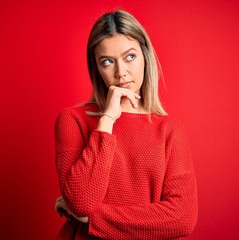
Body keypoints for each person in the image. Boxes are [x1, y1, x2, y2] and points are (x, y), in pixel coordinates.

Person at [54, 9, 198, 239]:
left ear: (145, 56)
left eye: (130, 57)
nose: (121, 73)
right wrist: (108, 120)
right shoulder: (72, 120)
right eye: (108, 62)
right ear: (97, 68)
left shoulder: (169, 130)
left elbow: (182, 217)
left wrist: (94, 218)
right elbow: (81, 201)